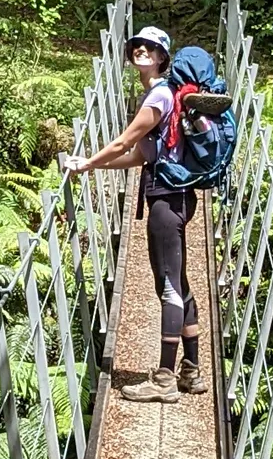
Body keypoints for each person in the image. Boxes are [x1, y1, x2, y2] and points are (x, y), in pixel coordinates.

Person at [61, 25, 205, 400]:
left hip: (166, 200)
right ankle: (191, 371)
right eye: (136, 46)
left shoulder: (157, 97)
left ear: (162, 57)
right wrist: (93, 167)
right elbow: (141, 154)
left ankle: (164, 381)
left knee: (169, 285)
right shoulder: (162, 96)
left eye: (150, 47)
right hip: (176, 196)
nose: (141, 50)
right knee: (179, 282)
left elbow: (125, 141)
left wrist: (85, 163)